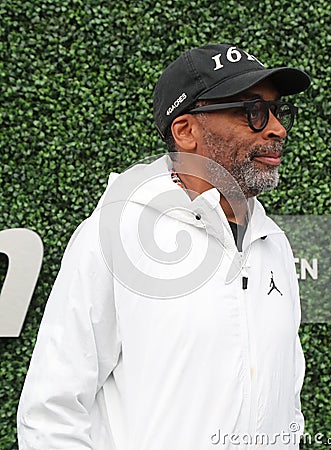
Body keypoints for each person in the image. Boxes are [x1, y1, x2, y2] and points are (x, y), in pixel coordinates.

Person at [17, 43, 310, 449]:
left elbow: (287, 401)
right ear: (186, 131)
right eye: (253, 112)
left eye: (279, 112)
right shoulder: (114, 235)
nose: (276, 128)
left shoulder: (273, 244)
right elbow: (51, 412)